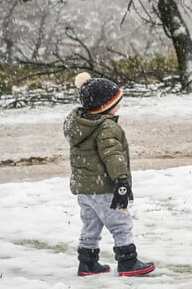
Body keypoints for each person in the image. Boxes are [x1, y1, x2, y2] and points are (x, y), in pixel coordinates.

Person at [63, 72, 156, 276]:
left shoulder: (80, 125)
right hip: (104, 187)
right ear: (105, 106)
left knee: (91, 226)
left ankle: (87, 262)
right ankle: (128, 261)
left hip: (85, 189)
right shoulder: (106, 127)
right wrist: (121, 181)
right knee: (121, 223)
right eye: (116, 103)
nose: (119, 107)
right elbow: (113, 156)